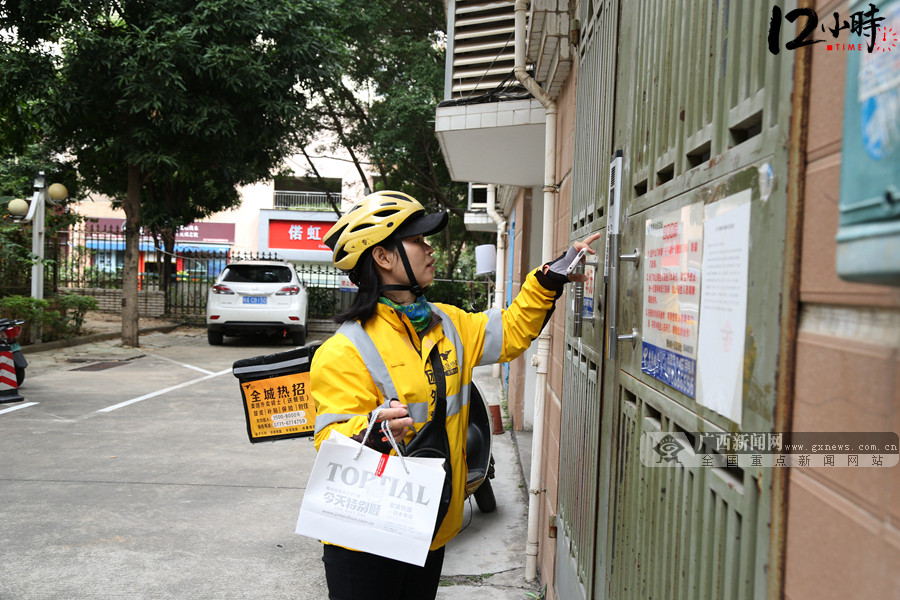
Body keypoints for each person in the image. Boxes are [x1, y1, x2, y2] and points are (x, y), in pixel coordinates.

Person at [311, 190, 600, 600]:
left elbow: (512, 331)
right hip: (366, 541)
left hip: (429, 525)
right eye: (418, 241)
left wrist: (550, 278)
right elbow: (331, 438)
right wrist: (370, 430)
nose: (430, 250)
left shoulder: (449, 324)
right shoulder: (343, 350)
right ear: (383, 257)